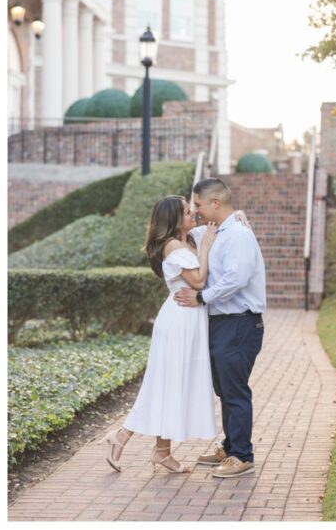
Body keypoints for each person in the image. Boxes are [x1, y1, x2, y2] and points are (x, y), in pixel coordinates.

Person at [104, 196, 218, 474]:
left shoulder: (187, 240)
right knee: (165, 383)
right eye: (187, 211)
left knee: (173, 384)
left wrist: (235, 218)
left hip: (189, 319)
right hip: (178, 321)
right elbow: (199, 281)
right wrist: (206, 247)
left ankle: (162, 452)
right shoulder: (173, 246)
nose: (193, 214)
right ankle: (121, 435)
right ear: (175, 219)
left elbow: (216, 222)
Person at [174, 178, 267, 479]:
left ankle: (242, 456)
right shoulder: (214, 231)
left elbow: (236, 279)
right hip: (221, 323)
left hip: (240, 323)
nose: (196, 211)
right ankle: (230, 447)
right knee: (224, 389)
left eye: (198, 204)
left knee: (235, 390)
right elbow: (184, 230)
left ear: (215, 203)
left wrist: (201, 297)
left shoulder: (238, 235)